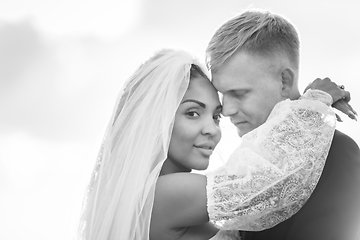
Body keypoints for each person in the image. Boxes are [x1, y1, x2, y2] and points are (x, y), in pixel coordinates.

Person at [77, 49, 353, 240]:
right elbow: (262, 183)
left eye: (216, 115)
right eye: (192, 113)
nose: (212, 130)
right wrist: (313, 102)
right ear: (156, 120)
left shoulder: (149, 194)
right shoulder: (163, 193)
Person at [205, 9, 360, 240]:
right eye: (222, 94)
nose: (226, 110)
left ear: (284, 81)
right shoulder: (252, 159)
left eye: (238, 93)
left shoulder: (336, 152)